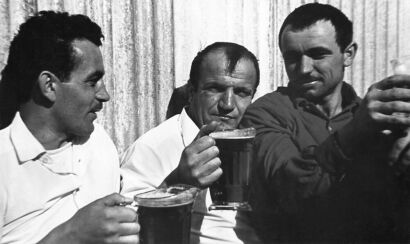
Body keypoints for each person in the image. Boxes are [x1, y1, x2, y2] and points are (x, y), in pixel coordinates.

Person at [241, 3, 410, 242]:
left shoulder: (373, 118)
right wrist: (356, 131)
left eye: (318, 54)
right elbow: (290, 187)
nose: (304, 68)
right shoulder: (264, 113)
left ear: (348, 54)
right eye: (292, 58)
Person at [0, 11, 139, 243]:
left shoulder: (98, 142)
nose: (104, 95)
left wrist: (176, 183)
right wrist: (70, 235)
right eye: (92, 82)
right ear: (49, 86)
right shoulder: (4, 162)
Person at [121, 42, 262, 243]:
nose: (228, 104)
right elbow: (126, 231)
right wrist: (179, 183)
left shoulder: (249, 141)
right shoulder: (155, 147)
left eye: (241, 92)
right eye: (215, 88)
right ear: (192, 91)